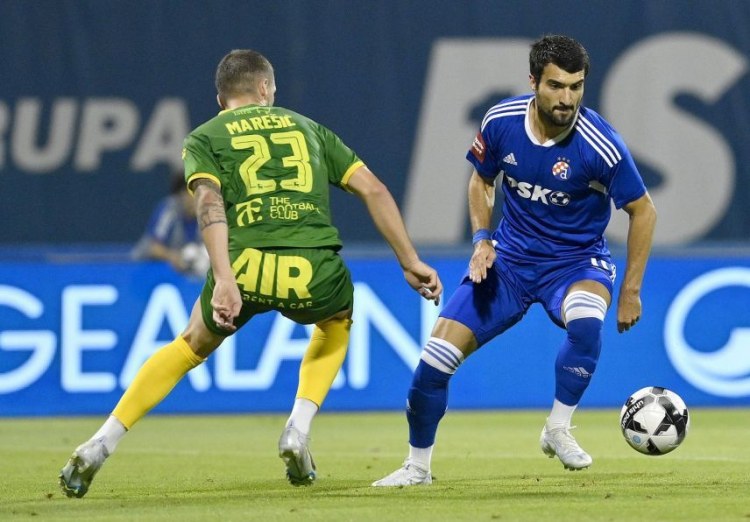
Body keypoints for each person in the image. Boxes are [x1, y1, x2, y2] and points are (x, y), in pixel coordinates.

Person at [59, 49, 442, 498]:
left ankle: (101, 443)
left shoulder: (204, 137)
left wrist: (224, 278)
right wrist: (409, 260)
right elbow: (373, 190)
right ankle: (298, 428)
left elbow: (208, 203)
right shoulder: (308, 128)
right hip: (313, 270)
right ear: (264, 88)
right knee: (335, 321)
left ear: (221, 99)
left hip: (246, 266)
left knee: (189, 345)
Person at [372, 34, 656, 486]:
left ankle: (558, 427)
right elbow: (481, 181)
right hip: (508, 263)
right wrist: (481, 239)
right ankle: (417, 467)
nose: (567, 99)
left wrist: (631, 291)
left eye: (576, 87)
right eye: (556, 86)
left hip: (576, 262)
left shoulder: (601, 144)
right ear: (533, 82)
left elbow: (643, 210)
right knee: (434, 363)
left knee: (586, 322)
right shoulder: (501, 121)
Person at [131, 172, 209, 277]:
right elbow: (154, 248)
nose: (193, 199)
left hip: (188, 273)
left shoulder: (209, 211)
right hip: (145, 269)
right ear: (181, 194)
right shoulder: (169, 209)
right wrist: (174, 257)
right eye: (189, 193)